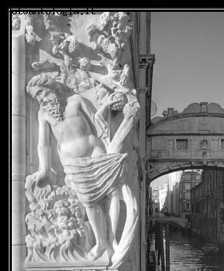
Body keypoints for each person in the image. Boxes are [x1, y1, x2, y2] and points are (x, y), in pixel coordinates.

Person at [26, 73, 140, 261]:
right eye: (36, 97)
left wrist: (105, 106)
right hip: (72, 163)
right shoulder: (43, 114)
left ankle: (112, 240)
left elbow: (96, 121)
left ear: (51, 87)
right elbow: (43, 144)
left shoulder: (76, 100)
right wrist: (44, 169)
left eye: (41, 93)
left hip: (95, 150)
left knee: (111, 192)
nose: (40, 99)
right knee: (89, 201)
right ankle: (101, 242)